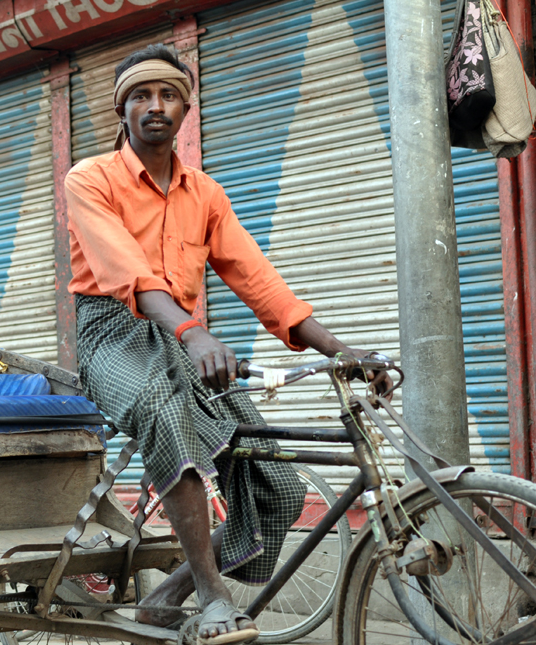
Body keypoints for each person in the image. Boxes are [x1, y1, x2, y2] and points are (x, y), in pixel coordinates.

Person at [65, 44, 387, 645]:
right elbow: (129, 273)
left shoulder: (207, 195)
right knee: (165, 415)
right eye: (141, 96)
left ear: (185, 110)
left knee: (279, 488)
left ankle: (169, 592)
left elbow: (260, 283)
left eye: (168, 95)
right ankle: (214, 596)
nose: (155, 106)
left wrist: (341, 352)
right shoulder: (90, 179)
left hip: (183, 339)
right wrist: (193, 332)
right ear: (121, 109)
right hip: (112, 335)